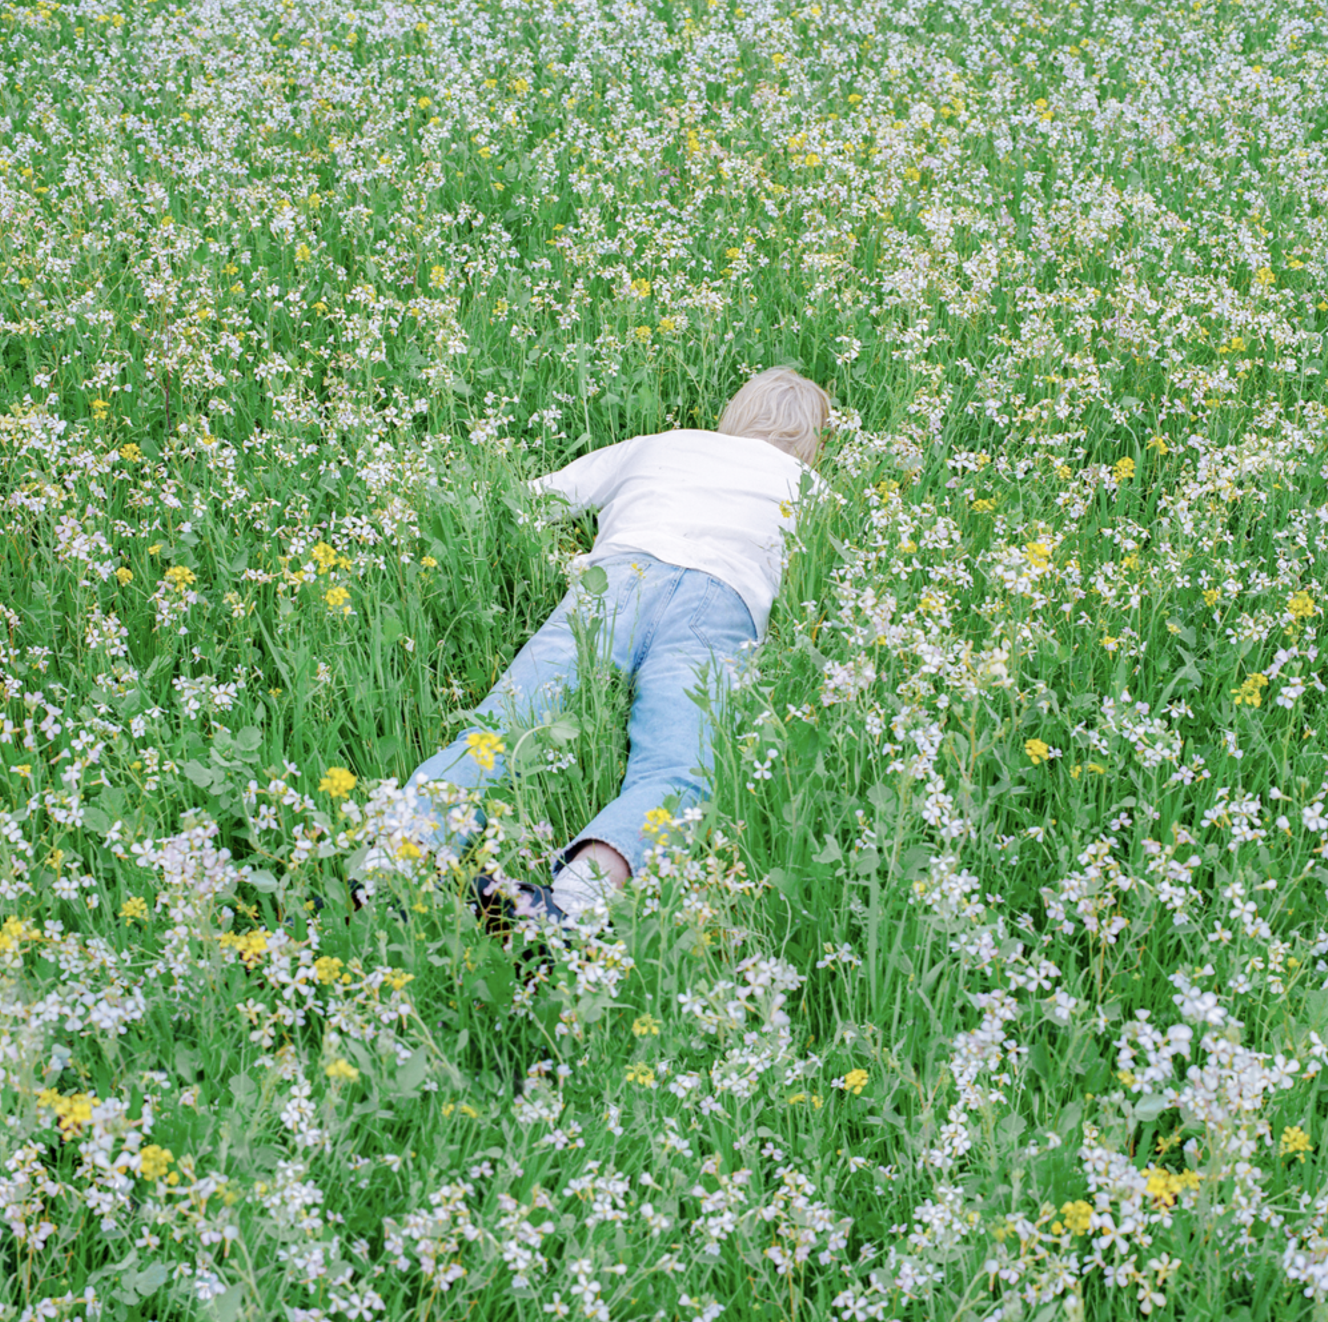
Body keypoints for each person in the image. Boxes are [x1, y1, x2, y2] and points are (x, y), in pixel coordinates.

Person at [406, 366, 832, 924]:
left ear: (733, 415)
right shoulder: (813, 489)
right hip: (721, 604)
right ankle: (577, 898)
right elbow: (828, 584)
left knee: (512, 717)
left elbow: (542, 498)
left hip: (617, 579)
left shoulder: (665, 444)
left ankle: (400, 854)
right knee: (679, 763)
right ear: (814, 447)